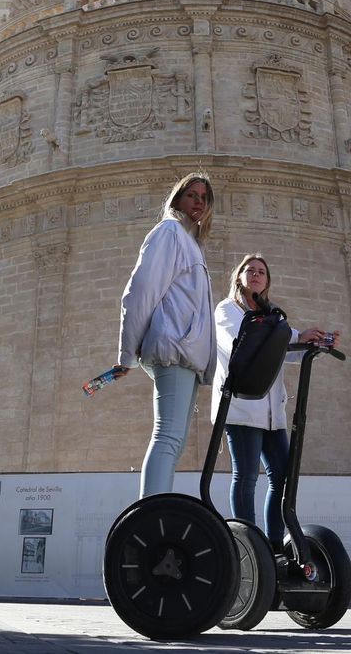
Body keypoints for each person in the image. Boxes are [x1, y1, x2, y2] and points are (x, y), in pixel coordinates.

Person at [210, 254, 335, 551]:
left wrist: (311, 343)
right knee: (247, 476)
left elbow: (282, 351)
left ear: (267, 281)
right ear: (239, 277)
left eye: (261, 272)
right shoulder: (227, 310)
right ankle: (249, 545)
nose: (255, 274)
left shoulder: (274, 316)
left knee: (283, 478)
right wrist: (294, 335)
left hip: (271, 413)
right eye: (250, 270)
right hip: (241, 409)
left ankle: (275, 546)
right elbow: (243, 342)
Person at [107, 172, 217, 499]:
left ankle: (157, 509)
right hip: (174, 351)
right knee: (167, 437)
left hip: (187, 356)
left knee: (175, 440)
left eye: (203, 197)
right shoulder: (169, 232)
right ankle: (150, 514)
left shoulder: (193, 245)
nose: (198, 202)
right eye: (191, 195)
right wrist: (126, 354)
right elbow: (140, 290)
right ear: (177, 199)